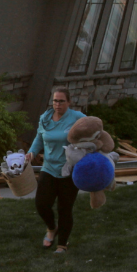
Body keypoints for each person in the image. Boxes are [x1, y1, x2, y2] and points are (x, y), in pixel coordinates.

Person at [26, 87, 86, 254]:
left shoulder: (77, 118)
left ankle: (62, 245)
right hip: (49, 168)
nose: (57, 104)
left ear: (68, 102)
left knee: (64, 208)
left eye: (61, 101)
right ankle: (52, 228)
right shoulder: (45, 118)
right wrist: (31, 153)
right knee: (41, 204)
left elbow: (93, 130)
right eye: (55, 100)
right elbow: (39, 138)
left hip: (69, 170)